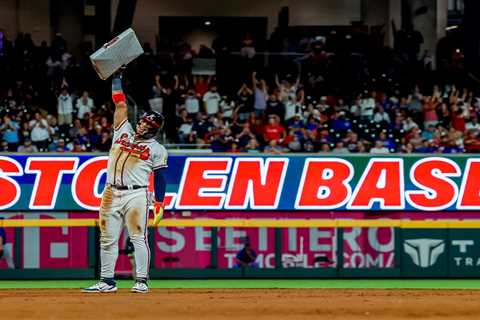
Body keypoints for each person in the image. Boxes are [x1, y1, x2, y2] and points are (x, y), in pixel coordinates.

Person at [83, 67, 168, 294]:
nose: (141, 125)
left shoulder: (157, 149)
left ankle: (141, 281)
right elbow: (120, 103)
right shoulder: (123, 131)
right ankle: (107, 281)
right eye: (141, 122)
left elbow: (160, 177)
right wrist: (116, 77)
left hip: (137, 193)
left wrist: (160, 202)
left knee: (138, 237)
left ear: (154, 130)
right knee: (107, 238)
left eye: (147, 125)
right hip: (111, 191)